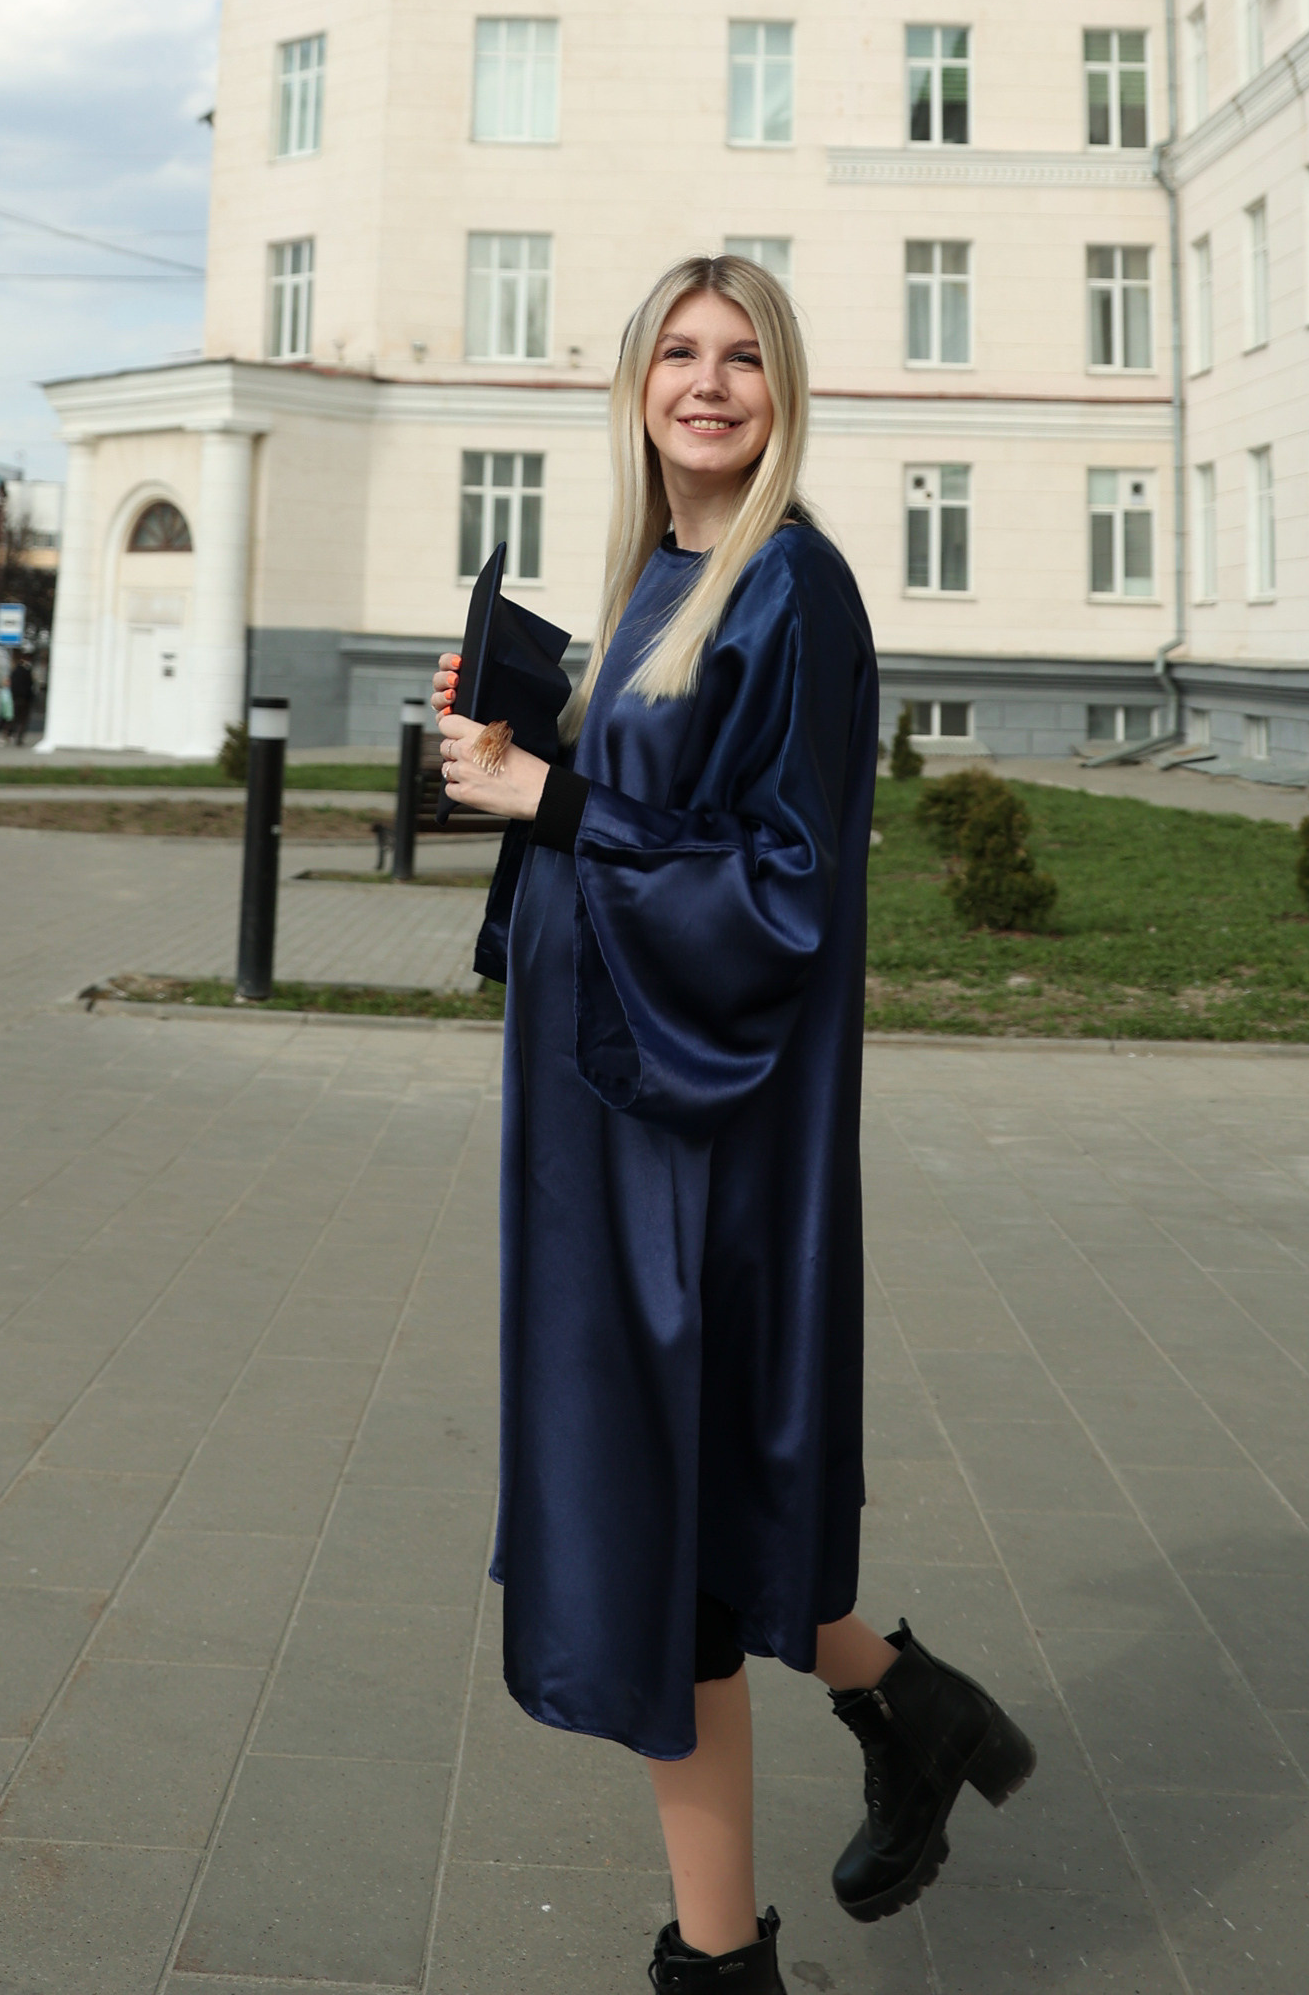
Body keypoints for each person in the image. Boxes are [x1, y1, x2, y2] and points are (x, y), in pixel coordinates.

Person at [438, 257, 1034, 1994]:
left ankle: (719, 1965)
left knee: (667, 1544)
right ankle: (908, 1703)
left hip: (695, 1146)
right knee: (671, 1512)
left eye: (744, 356)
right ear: (634, 384)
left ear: (785, 394)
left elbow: (781, 893)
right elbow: (628, 810)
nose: (708, 382)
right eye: (679, 353)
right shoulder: (658, 582)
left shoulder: (792, 589)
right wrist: (521, 742)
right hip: (601, 1122)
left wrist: (555, 797)